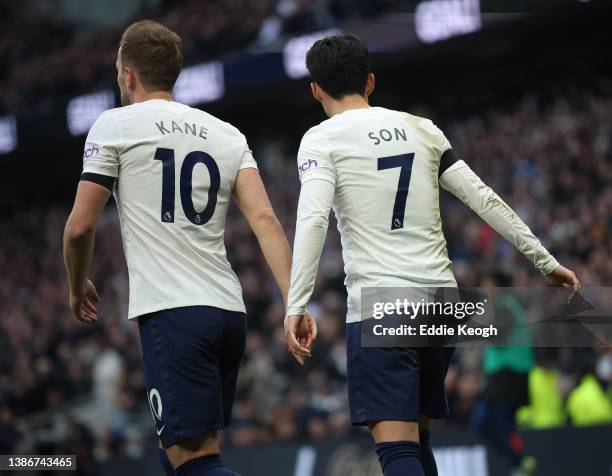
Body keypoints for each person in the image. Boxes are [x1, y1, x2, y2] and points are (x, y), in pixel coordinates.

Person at [284, 34, 580, 476]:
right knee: (416, 442)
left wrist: (297, 301)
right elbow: (483, 198)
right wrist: (545, 261)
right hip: (441, 304)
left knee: (397, 450)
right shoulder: (423, 129)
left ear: (315, 89)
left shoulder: (320, 140)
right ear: (369, 81)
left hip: (383, 305)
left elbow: (311, 220)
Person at [63, 20, 314, 476]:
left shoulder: (114, 125)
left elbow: (80, 228)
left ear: (128, 75)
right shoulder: (226, 133)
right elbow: (266, 220)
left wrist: (77, 286)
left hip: (174, 314)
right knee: (178, 451)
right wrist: (294, 302)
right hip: (226, 315)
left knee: (193, 462)